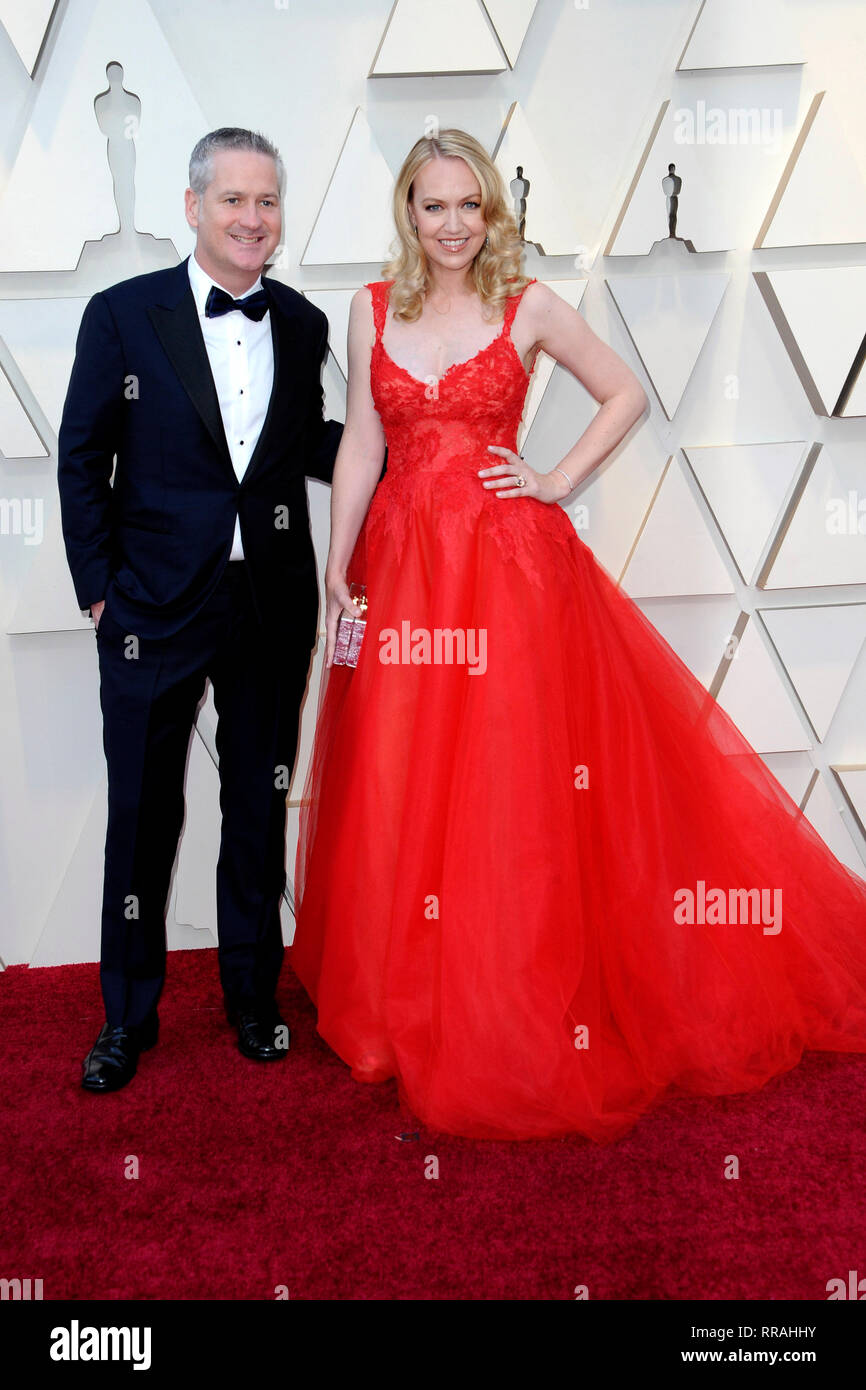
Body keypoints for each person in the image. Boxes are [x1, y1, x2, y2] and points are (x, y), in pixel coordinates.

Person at [290, 128, 866, 1143]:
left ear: (490, 213)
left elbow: (625, 392)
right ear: (406, 211)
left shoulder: (531, 305)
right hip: (403, 570)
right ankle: (402, 995)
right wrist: (337, 568)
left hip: (508, 575)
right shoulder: (371, 307)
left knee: (508, 784)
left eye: (470, 204)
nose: (454, 223)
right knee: (400, 774)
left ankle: (510, 990)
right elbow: (360, 444)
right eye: (434, 205)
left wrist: (553, 481)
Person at [58, 127, 342, 1092]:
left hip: (267, 603)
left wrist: (415, 441)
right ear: (193, 207)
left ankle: (253, 1002)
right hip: (148, 607)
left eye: (267, 201)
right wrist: (99, 589)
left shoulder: (303, 325)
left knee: (255, 809)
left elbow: (307, 443)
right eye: (234, 201)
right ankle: (125, 1020)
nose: (252, 218)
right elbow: (81, 458)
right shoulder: (122, 316)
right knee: (143, 816)